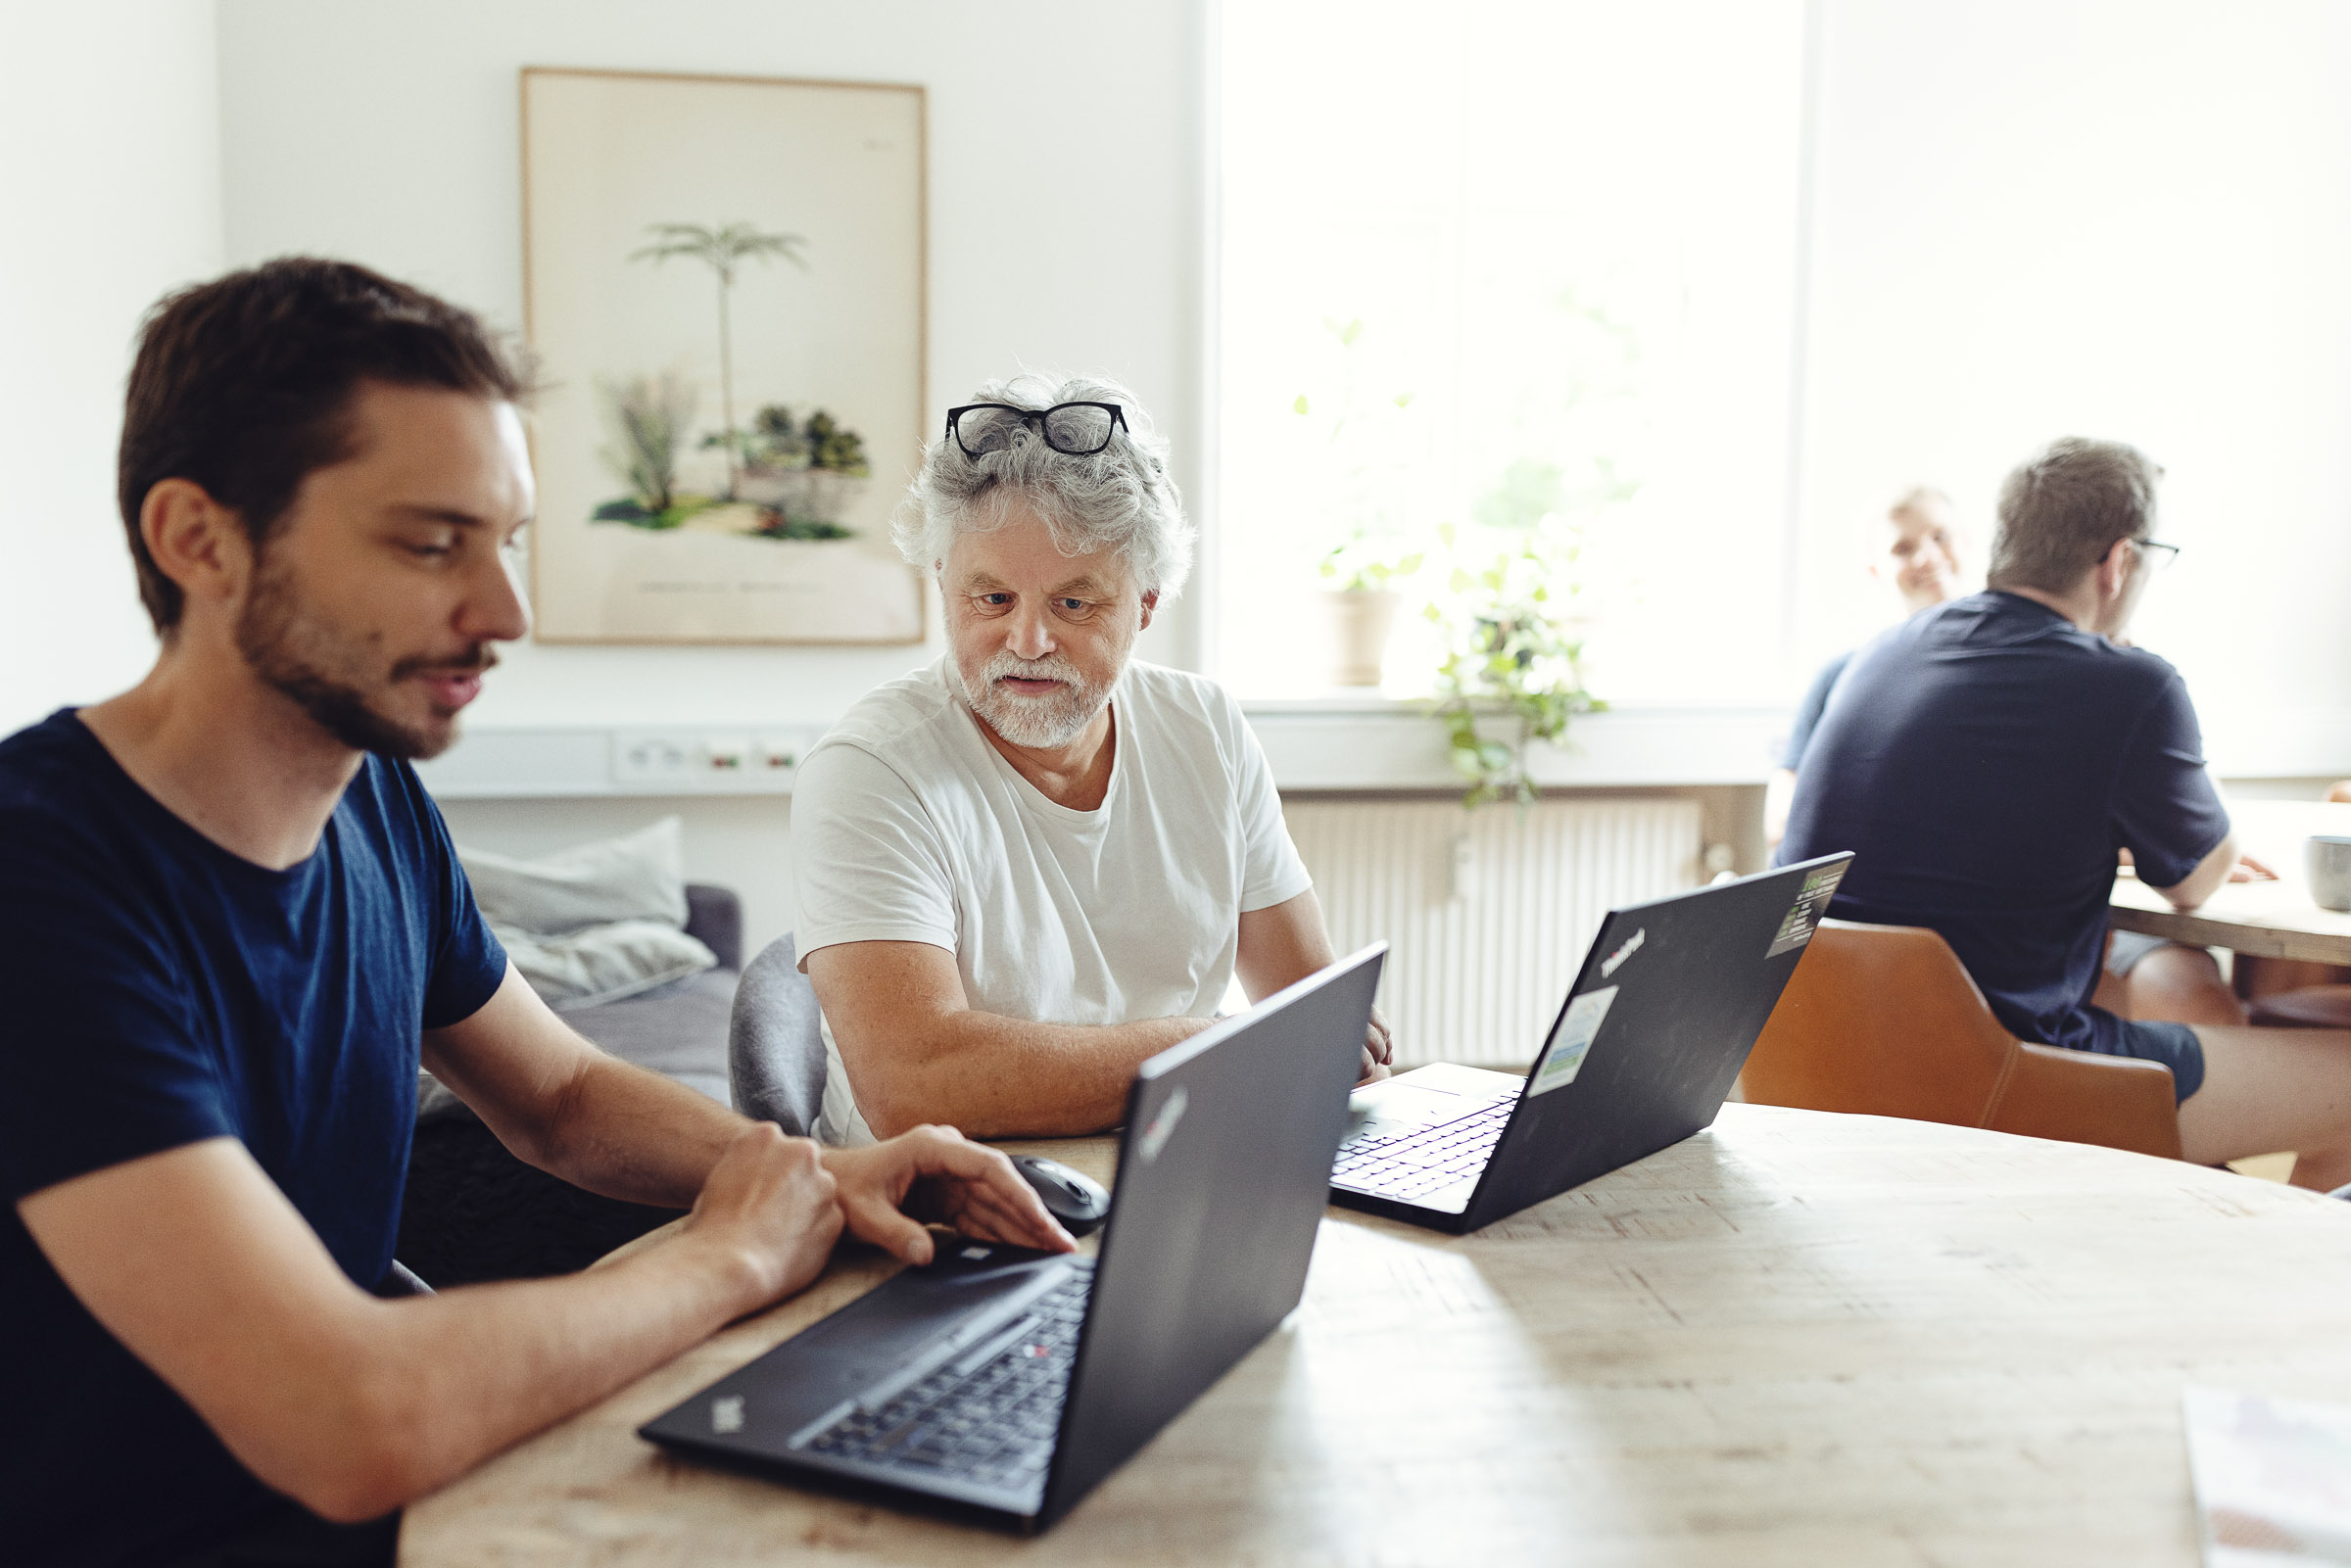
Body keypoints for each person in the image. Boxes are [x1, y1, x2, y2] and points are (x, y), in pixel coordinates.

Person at [0, 260, 1072, 1568]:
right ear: (199, 539)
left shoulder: (373, 802)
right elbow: (347, 1415)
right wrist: (727, 1255)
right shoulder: (41, 881)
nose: (503, 613)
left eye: (504, 543)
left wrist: (817, 1175)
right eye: (429, 543)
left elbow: (557, 1098)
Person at [792, 373, 1391, 1145]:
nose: (1028, 641)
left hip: (1167, 1175)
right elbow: (914, 1084)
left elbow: (1311, 1007)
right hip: (947, 1219)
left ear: (1146, 601)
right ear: (944, 582)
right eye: (992, 599)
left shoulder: (1204, 727)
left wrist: (1336, 1047)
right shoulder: (869, 770)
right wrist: (1210, 1047)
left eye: (1074, 603)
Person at [1777, 436, 2351, 1189]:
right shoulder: (2131, 685)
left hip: (1818, 1061)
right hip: (2006, 1075)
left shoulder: (1879, 656)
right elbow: (2196, 883)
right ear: (2118, 562)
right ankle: (2270, 1290)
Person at [1765, 487, 1963, 845]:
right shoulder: (1840, 675)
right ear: (1875, 569)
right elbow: (1780, 822)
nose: (1928, 557)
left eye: (1941, 536)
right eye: (1903, 548)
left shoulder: (2005, 668)